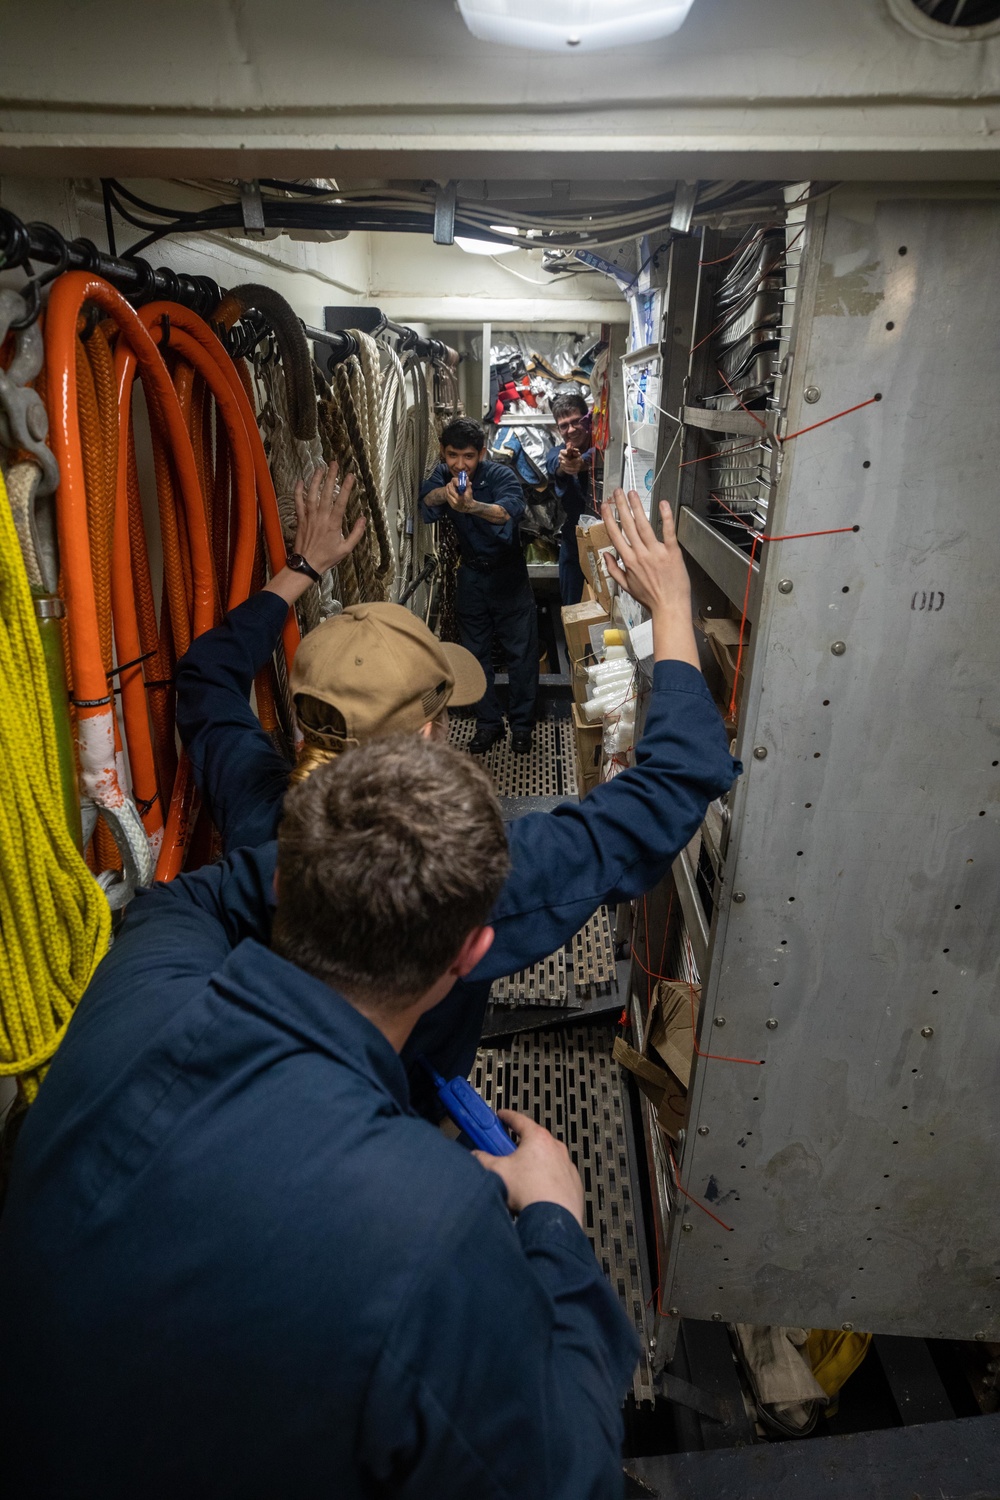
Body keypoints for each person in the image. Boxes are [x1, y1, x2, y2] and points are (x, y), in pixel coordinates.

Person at [0, 736, 640, 1498]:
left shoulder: (143, 978)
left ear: (287, 879)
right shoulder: (431, 1221)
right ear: (471, 955)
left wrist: (331, 870)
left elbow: (190, 896)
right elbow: (570, 1480)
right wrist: (553, 1222)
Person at [175, 468, 741, 1120]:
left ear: (309, 722)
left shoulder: (255, 810)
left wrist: (302, 566)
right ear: (426, 733)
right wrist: (670, 607)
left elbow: (206, 676)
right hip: (407, 1127)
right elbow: (674, 781)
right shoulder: (470, 875)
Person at [420, 416, 539, 755]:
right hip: (471, 576)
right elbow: (425, 499)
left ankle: (521, 727)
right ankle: (488, 725)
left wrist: (472, 506)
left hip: (509, 576)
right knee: (475, 654)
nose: (461, 464)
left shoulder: (500, 474)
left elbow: (508, 511)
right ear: (444, 453)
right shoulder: (444, 476)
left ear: (481, 453)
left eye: (468, 456)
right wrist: (444, 494)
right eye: (453, 455)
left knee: (521, 654)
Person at [545, 391, 601, 606]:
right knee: (573, 606)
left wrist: (583, 462)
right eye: (564, 425)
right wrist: (565, 465)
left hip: (604, 540)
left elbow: (598, 453)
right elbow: (554, 464)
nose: (571, 429)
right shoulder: (557, 453)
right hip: (573, 542)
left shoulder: (603, 447)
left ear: (587, 419)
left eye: (576, 422)